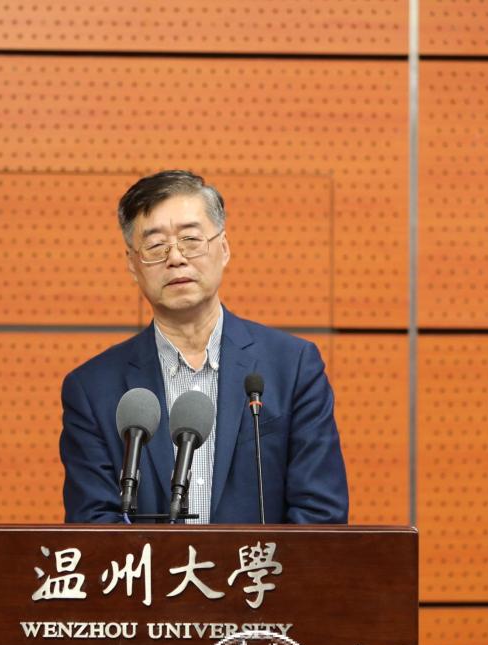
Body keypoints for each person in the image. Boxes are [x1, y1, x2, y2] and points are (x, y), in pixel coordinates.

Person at [59, 170, 348, 524]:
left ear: (223, 248)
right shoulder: (92, 389)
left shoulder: (293, 367)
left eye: (191, 240)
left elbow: (320, 515)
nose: (176, 258)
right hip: (147, 565)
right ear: (132, 264)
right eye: (156, 246)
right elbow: (93, 525)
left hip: (262, 563)